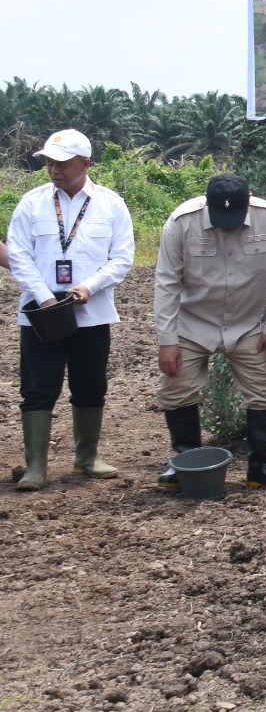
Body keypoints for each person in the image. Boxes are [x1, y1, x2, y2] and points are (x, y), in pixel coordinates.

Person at [8, 130, 134, 491]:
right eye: (49, 162)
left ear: (86, 164)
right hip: (41, 314)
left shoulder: (111, 204)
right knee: (37, 388)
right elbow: (19, 255)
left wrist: (88, 287)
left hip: (91, 313)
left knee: (90, 384)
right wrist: (44, 295)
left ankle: (87, 456)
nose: (54, 169)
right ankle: (36, 466)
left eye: (62, 163)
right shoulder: (31, 204)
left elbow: (122, 259)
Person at [153, 174, 266, 492]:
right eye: (221, 219)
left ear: (248, 205)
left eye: (234, 219)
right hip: (193, 322)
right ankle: (186, 461)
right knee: (176, 388)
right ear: (208, 206)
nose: (228, 226)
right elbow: (166, 283)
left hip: (250, 323)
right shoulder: (181, 222)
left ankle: (261, 467)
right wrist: (167, 340)